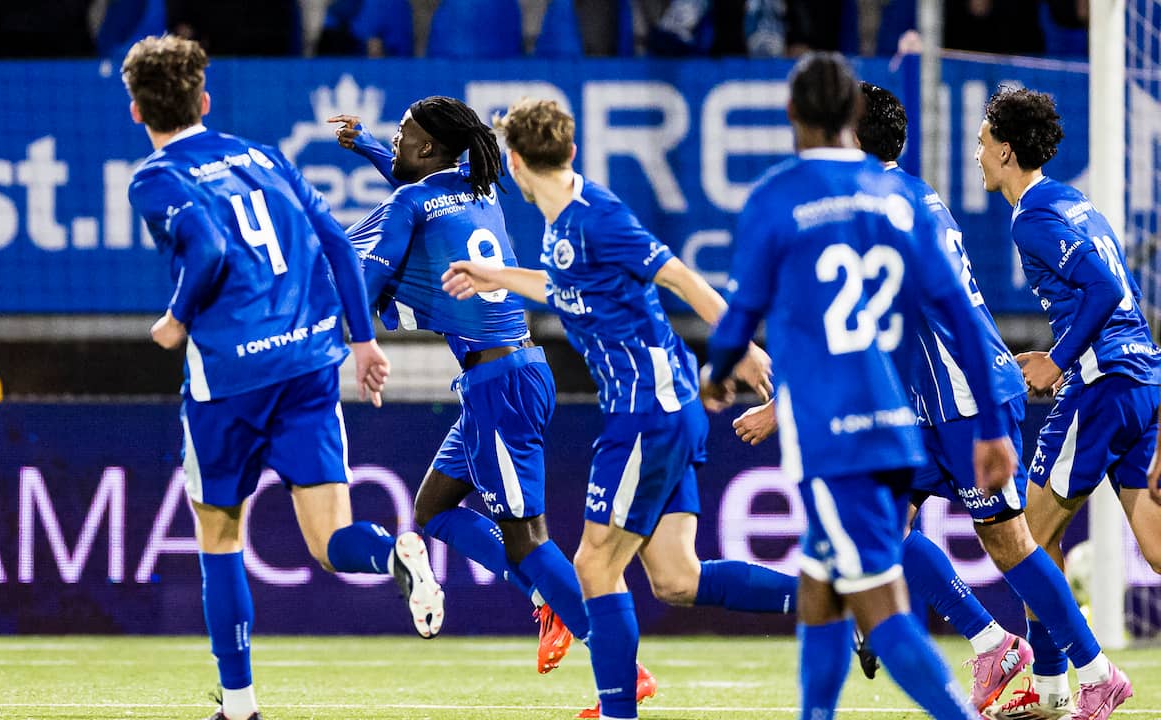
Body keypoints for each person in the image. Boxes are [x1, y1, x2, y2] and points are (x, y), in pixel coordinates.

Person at [442, 98, 796, 720]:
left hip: (646, 413)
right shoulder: (564, 229)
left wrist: (741, 348)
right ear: (571, 152)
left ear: (514, 164)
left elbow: (681, 278)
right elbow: (562, 287)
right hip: (667, 407)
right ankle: (836, 605)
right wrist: (495, 274)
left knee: (593, 565)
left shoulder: (598, 217)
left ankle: (617, 710)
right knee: (676, 578)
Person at [121, 35, 442, 720]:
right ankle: (393, 552)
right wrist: (362, 340)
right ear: (204, 100)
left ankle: (239, 706)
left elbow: (205, 248)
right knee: (332, 543)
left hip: (231, 377)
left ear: (136, 112)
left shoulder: (154, 178)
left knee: (220, 536)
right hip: (310, 362)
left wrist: (177, 317)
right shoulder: (263, 156)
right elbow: (335, 242)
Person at [701, 51, 1020, 720]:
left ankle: (967, 692)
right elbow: (962, 317)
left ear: (791, 115)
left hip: (834, 438)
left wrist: (719, 368)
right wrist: (991, 424)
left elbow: (740, 317)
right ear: (853, 114)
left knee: (879, 607)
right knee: (821, 588)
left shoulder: (778, 197)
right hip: (898, 425)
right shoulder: (903, 199)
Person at [328, 97, 589, 677]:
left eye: (401, 135)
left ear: (426, 148)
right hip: (514, 372)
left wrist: (348, 318)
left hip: (500, 384)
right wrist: (369, 143)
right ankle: (547, 601)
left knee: (527, 538)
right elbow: (422, 183)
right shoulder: (480, 183)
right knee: (434, 510)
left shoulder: (408, 202)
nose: (394, 142)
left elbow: (367, 280)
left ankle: (616, 661)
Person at [976, 85, 1152, 720]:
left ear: (1008, 151)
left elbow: (1103, 288)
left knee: (1020, 536)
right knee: (1153, 547)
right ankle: (1052, 691)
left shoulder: (1033, 217)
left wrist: (1057, 359)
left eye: (984, 140)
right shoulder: (1075, 203)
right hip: (1141, 379)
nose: (978, 152)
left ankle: (1073, 680)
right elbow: (1113, 288)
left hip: (1102, 383)